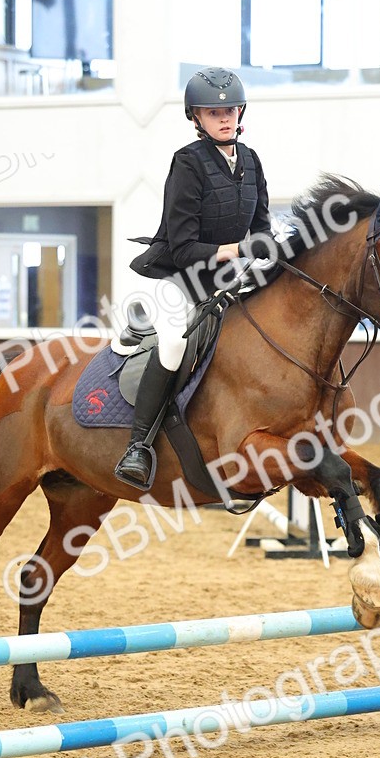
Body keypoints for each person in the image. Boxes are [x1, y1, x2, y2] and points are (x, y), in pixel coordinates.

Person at [114, 66, 273, 489]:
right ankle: (138, 446)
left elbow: (261, 227)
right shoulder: (187, 163)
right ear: (196, 118)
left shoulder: (252, 161)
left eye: (230, 110)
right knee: (171, 345)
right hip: (180, 282)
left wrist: (272, 249)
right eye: (212, 112)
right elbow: (183, 246)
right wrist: (239, 251)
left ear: (241, 111)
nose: (225, 118)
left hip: (227, 282)